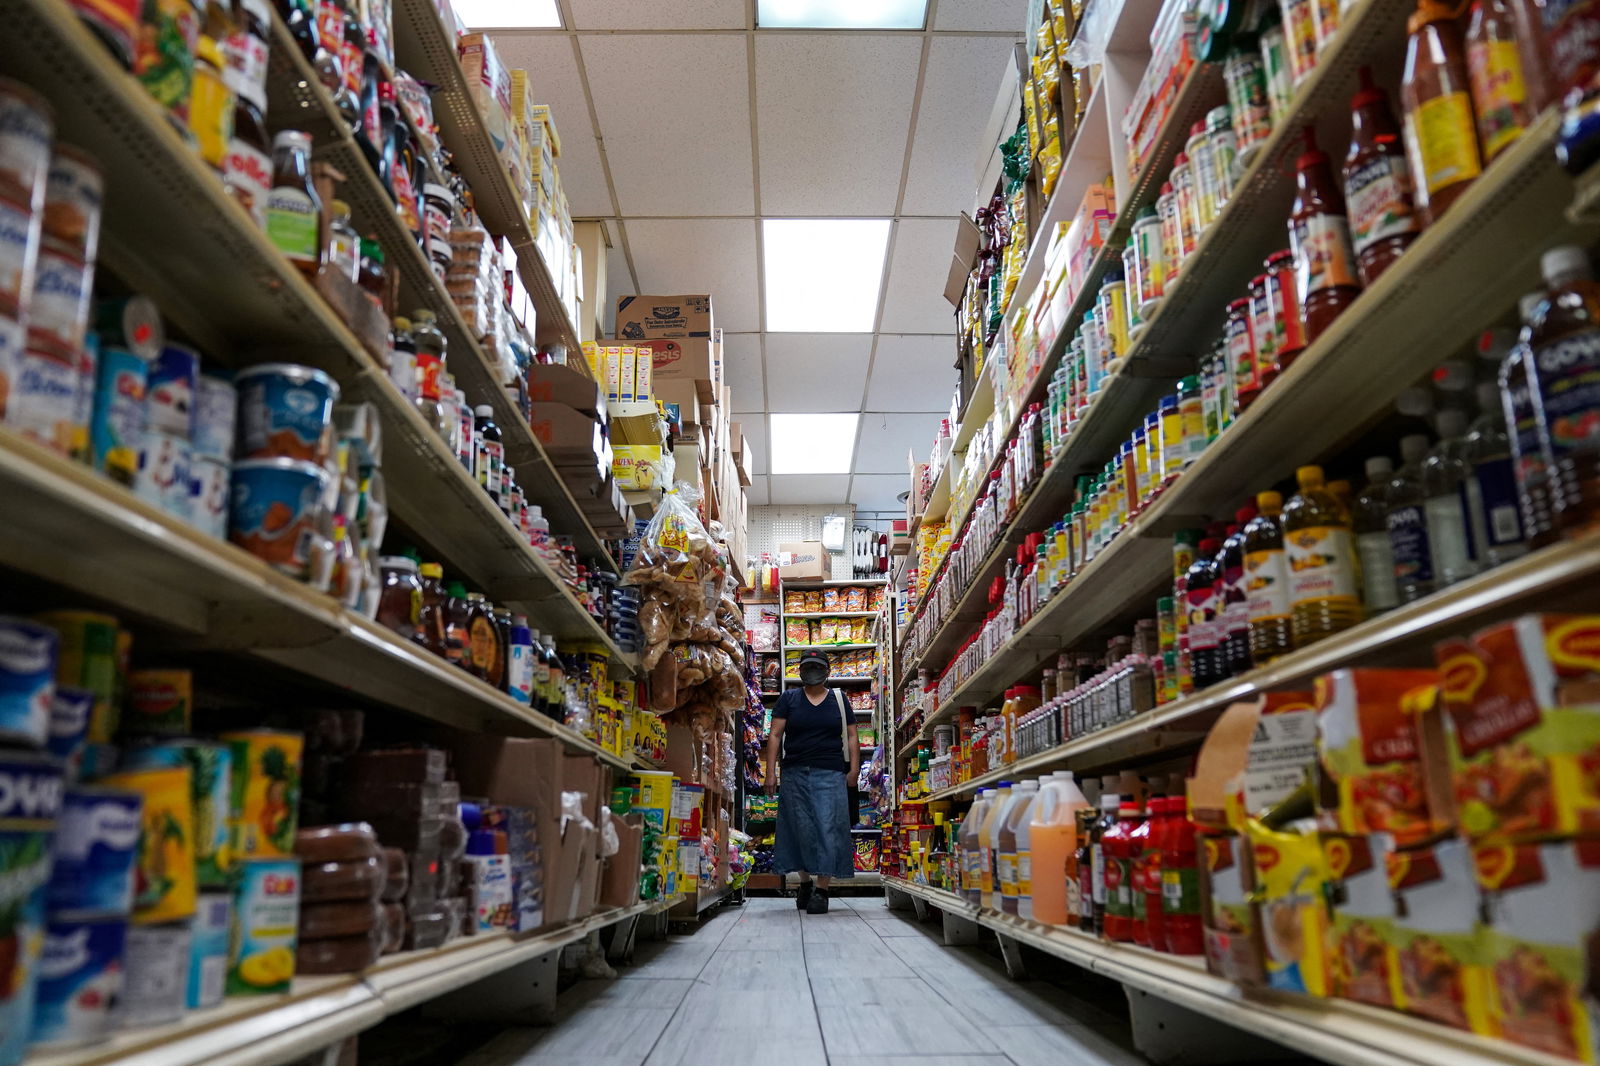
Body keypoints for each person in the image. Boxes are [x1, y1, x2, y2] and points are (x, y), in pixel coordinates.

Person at [765, 649, 858, 914]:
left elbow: (852, 736)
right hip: (794, 773)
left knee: (827, 828)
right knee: (799, 829)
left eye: (817, 666)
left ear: (827, 670)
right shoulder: (789, 698)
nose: (812, 671)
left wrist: (853, 769)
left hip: (830, 773)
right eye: (808, 666)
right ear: (800, 670)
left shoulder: (839, 699)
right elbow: (775, 736)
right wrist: (771, 772)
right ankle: (804, 883)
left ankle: (822, 890)